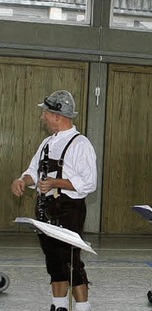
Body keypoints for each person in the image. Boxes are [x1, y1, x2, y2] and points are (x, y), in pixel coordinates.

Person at [10, 90, 97, 311]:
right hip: (45, 210)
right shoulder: (47, 143)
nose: (42, 117)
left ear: (57, 115)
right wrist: (22, 180)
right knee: (53, 262)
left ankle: (83, 308)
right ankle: (58, 306)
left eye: (45, 113)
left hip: (69, 210)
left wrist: (56, 183)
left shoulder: (81, 144)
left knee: (71, 262)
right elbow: (33, 172)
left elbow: (89, 182)